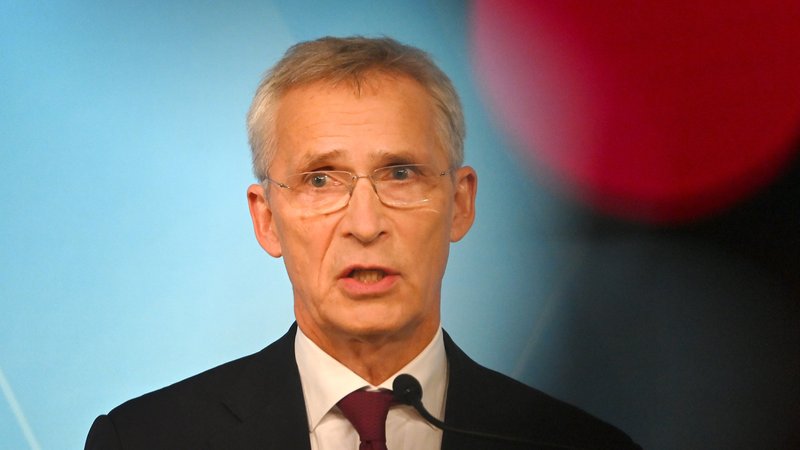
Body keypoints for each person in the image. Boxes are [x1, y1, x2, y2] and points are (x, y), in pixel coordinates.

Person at [85, 36, 640, 450]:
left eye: (400, 174)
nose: (365, 223)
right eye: (321, 180)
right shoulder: (144, 441)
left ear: (460, 203)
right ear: (267, 220)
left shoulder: (575, 443)